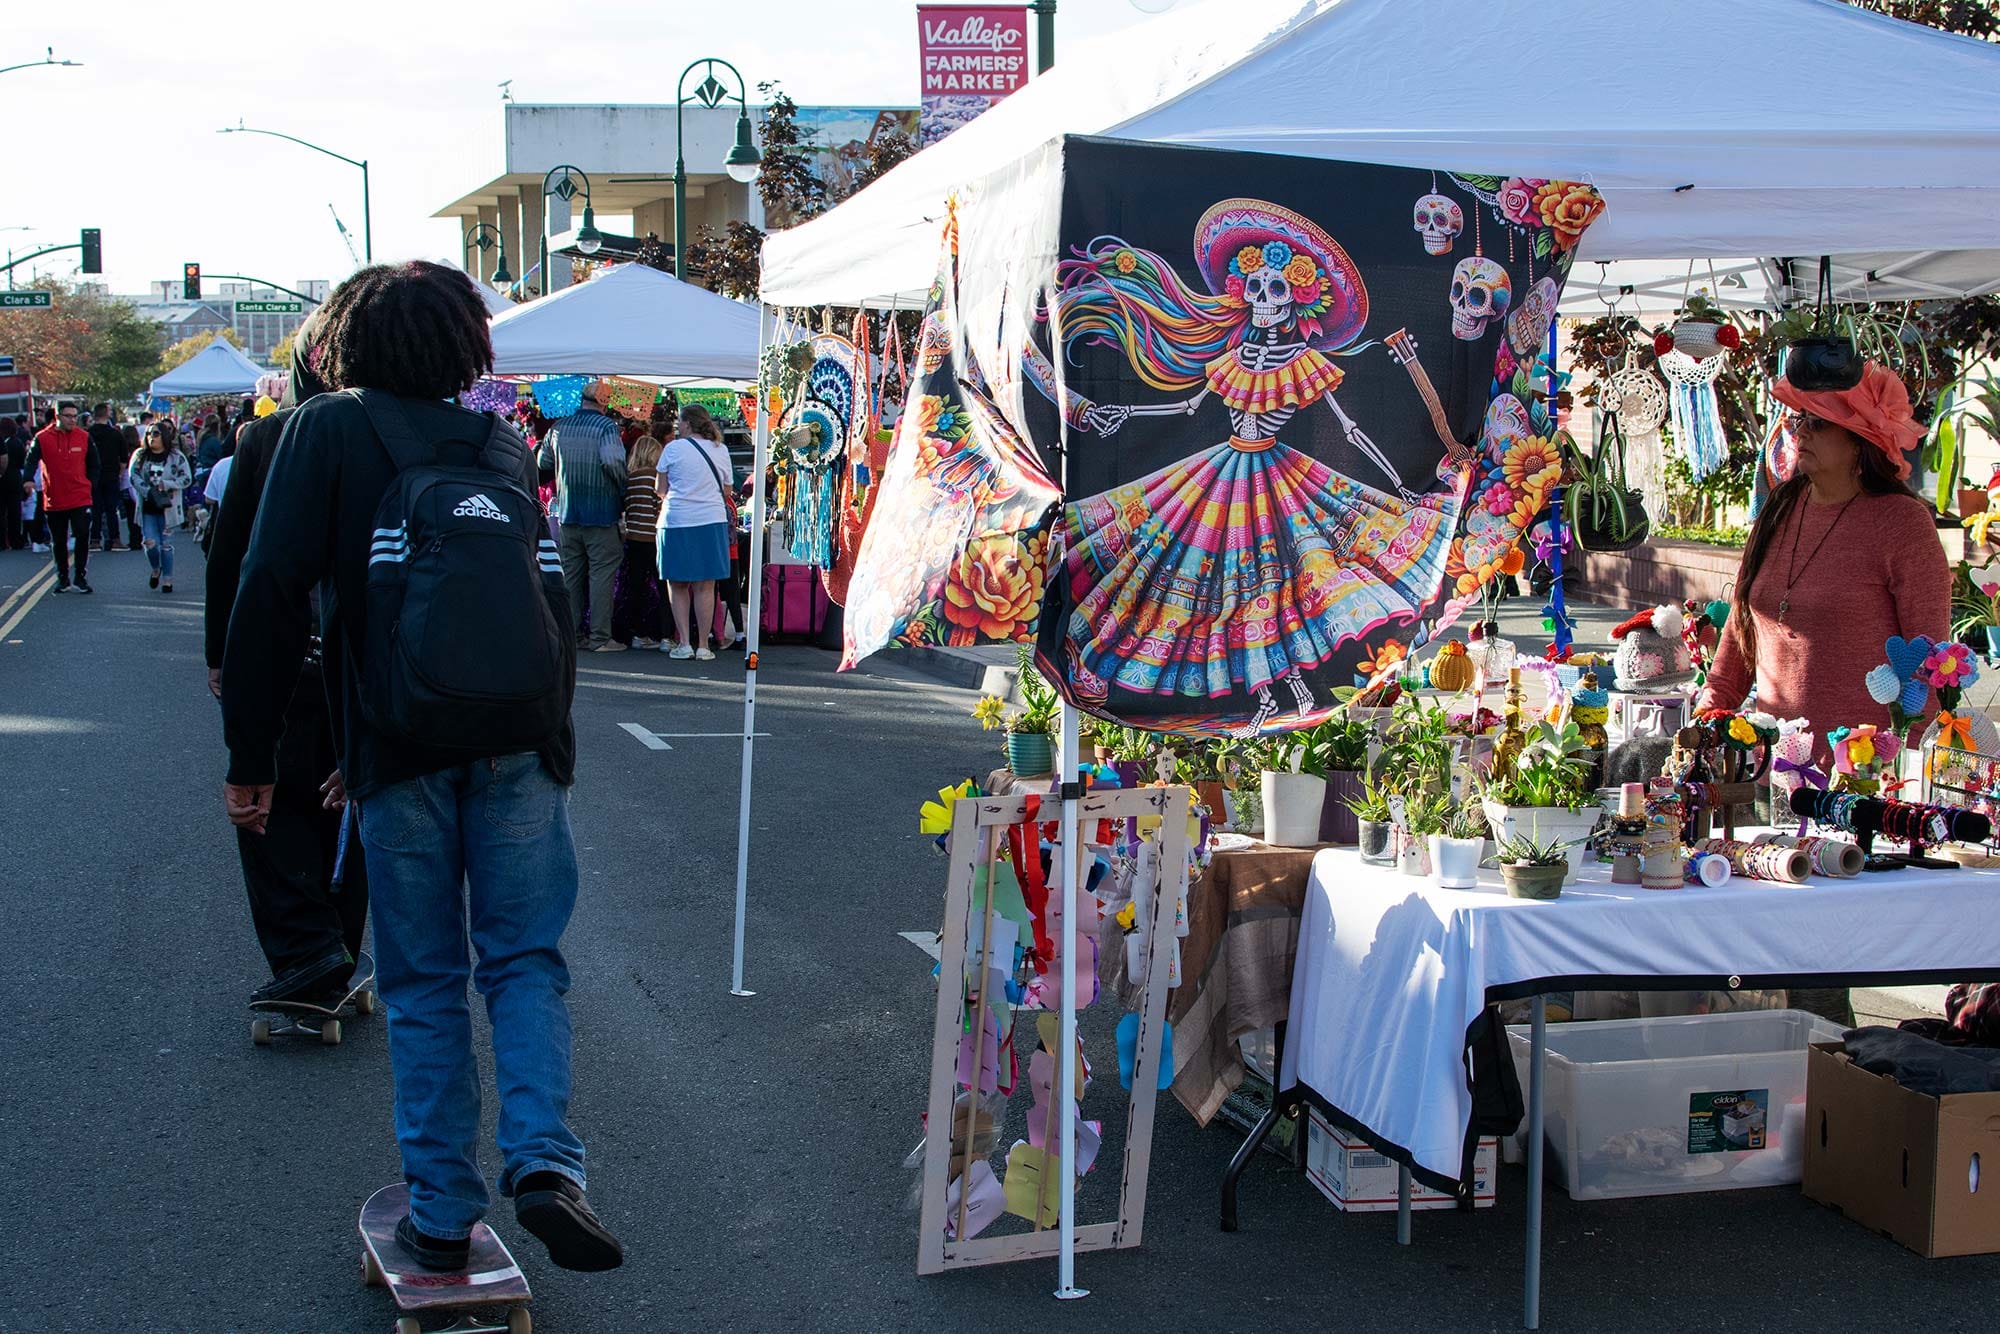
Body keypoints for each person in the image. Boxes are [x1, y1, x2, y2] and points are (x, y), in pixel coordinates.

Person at [221, 260, 622, 1275]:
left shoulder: (326, 429)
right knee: (525, 960)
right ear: (464, 347)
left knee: (425, 978)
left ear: (345, 344)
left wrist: (254, 756)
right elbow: (546, 600)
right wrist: (555, 738)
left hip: (399, 747)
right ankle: (545, 1162)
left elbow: (269, 592)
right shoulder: (498, 443)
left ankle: (442, 1210)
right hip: (520, 741)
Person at [1698, 360, 1949, 1028]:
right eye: (1797, 419)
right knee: (1754, 945)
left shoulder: (1901, 524)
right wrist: (1711, 708)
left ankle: (1832, 1067)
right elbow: (1742, 630)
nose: (1799, 432)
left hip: (1855, 777)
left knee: (1814, 957)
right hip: (1769, 769)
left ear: (1860, 442)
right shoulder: (1781, 509)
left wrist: (1904, 773)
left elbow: (1930, 663)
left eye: (1818, 423)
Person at [206, 307, 368, 1007]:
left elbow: (233, 561)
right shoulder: (387, 434)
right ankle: (337, 940)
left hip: (289, 645)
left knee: (264, 793)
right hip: (362, 655)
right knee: (347, 791)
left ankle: (306, 946)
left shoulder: (270, 437)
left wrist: (221, 654)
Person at [537, 381, 628, 653]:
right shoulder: (606, 428)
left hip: (568, 514)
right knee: (601, 575)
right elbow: (613, 462)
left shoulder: (559, 427)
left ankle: (572, 635)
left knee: (571, 576)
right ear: (604, 403)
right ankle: (600, 638)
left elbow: (543, 463)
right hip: (602, 513)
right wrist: (622, 488)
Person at [654, 403, 735, 661]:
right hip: (710, 520)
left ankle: (684, 643)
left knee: (677, 584)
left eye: (679, 421)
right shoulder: (720, 449)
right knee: (706, 585)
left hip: (676, 520)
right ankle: (703, 645)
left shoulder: (672, 449)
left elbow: (660, 489)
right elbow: (727, 490)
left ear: (687, 423)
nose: (678, 425)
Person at [23, 401, 98, 593]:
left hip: (80, 496)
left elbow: (94, 464)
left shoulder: (84, 436)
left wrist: (91, 484)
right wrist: (28, 480)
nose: (72, 420)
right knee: (58, 540)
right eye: (68, 416)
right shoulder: (42, 438)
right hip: (55, 498)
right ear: (57, 417)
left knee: (82, 534)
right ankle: (62, 578)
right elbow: (31, 461)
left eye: (75, 416)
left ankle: (80, 577)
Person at [612, 434, 666, 649]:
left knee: (636, 588)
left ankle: (637, 633)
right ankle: (665, 634)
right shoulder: (655, 478)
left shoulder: (630, 478)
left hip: (633, 539)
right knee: (663, 588)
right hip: (653, 538)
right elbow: (659, 508)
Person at [129, 422, 192, 592]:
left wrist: (167, 484)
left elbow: (186, 478)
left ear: (164, 436)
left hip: (168, 508)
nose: (152, 437)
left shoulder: (176, 456)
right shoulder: (140, 455)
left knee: (166, 545)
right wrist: (147, 490)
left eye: (156, 434)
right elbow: (133, 476)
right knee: (150, 543)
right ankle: (156, 568)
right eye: (149, 434)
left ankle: (167, 580)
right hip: (148, 507)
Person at [86, 403, 128, 551]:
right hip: (111, 475)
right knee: (111, 509)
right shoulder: (115, 434)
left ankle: (95, 540)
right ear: (107, 413)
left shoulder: (87, 434)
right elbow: (123, 458)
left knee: (95, 509)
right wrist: (120, 473)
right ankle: (115, 539)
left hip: (93, 475)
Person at [0, 417, 24, 551]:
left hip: (3, 478)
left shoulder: (3, 443)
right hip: (14, 477)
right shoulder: (17, 442)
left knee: (2, 511)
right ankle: (16, 540)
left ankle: (2, 541)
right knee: (15, 511)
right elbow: (22, 461)